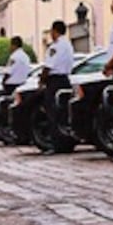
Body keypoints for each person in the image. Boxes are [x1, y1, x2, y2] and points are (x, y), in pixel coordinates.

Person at [40, 21, 74, 155]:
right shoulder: (68, 45)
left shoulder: (55, 47)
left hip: (54, 82)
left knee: (53, 114)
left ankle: (56, 144)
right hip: (65, 80)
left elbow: (48, 66)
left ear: (55, 31)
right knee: (64, 113)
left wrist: (42, 80)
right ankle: (67, 143)